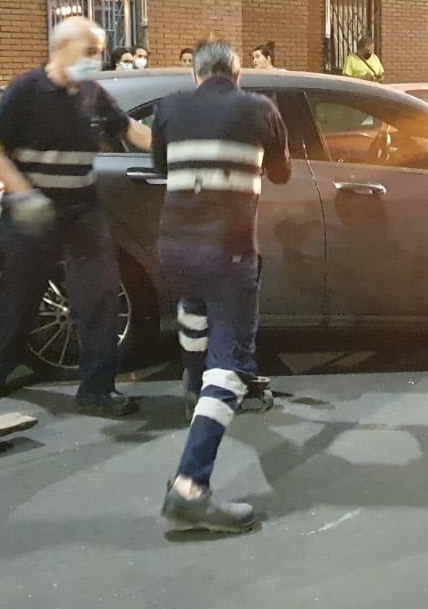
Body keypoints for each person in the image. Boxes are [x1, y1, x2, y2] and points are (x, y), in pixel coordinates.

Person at [0, 15, 151, 416]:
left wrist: (172, 145)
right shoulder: (26, 91)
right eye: (90, 52)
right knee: (19, 295)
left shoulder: (92, 94)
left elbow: (131, 131)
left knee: (100, 296)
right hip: (31, 210)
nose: (96, 60)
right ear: (62, 48)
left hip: (81, 210)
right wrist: (24, 195)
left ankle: (98, 388)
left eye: (99, 53)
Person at [152, 39, 290, 533]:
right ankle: (191, 487)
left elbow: (160, 168)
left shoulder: (169, 107)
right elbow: (280, 173)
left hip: (174, 249)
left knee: (193, 311)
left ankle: (193, 390)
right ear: (237, 74)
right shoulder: (258, 108)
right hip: (228, 253)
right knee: (230, 363)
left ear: (195, 74)